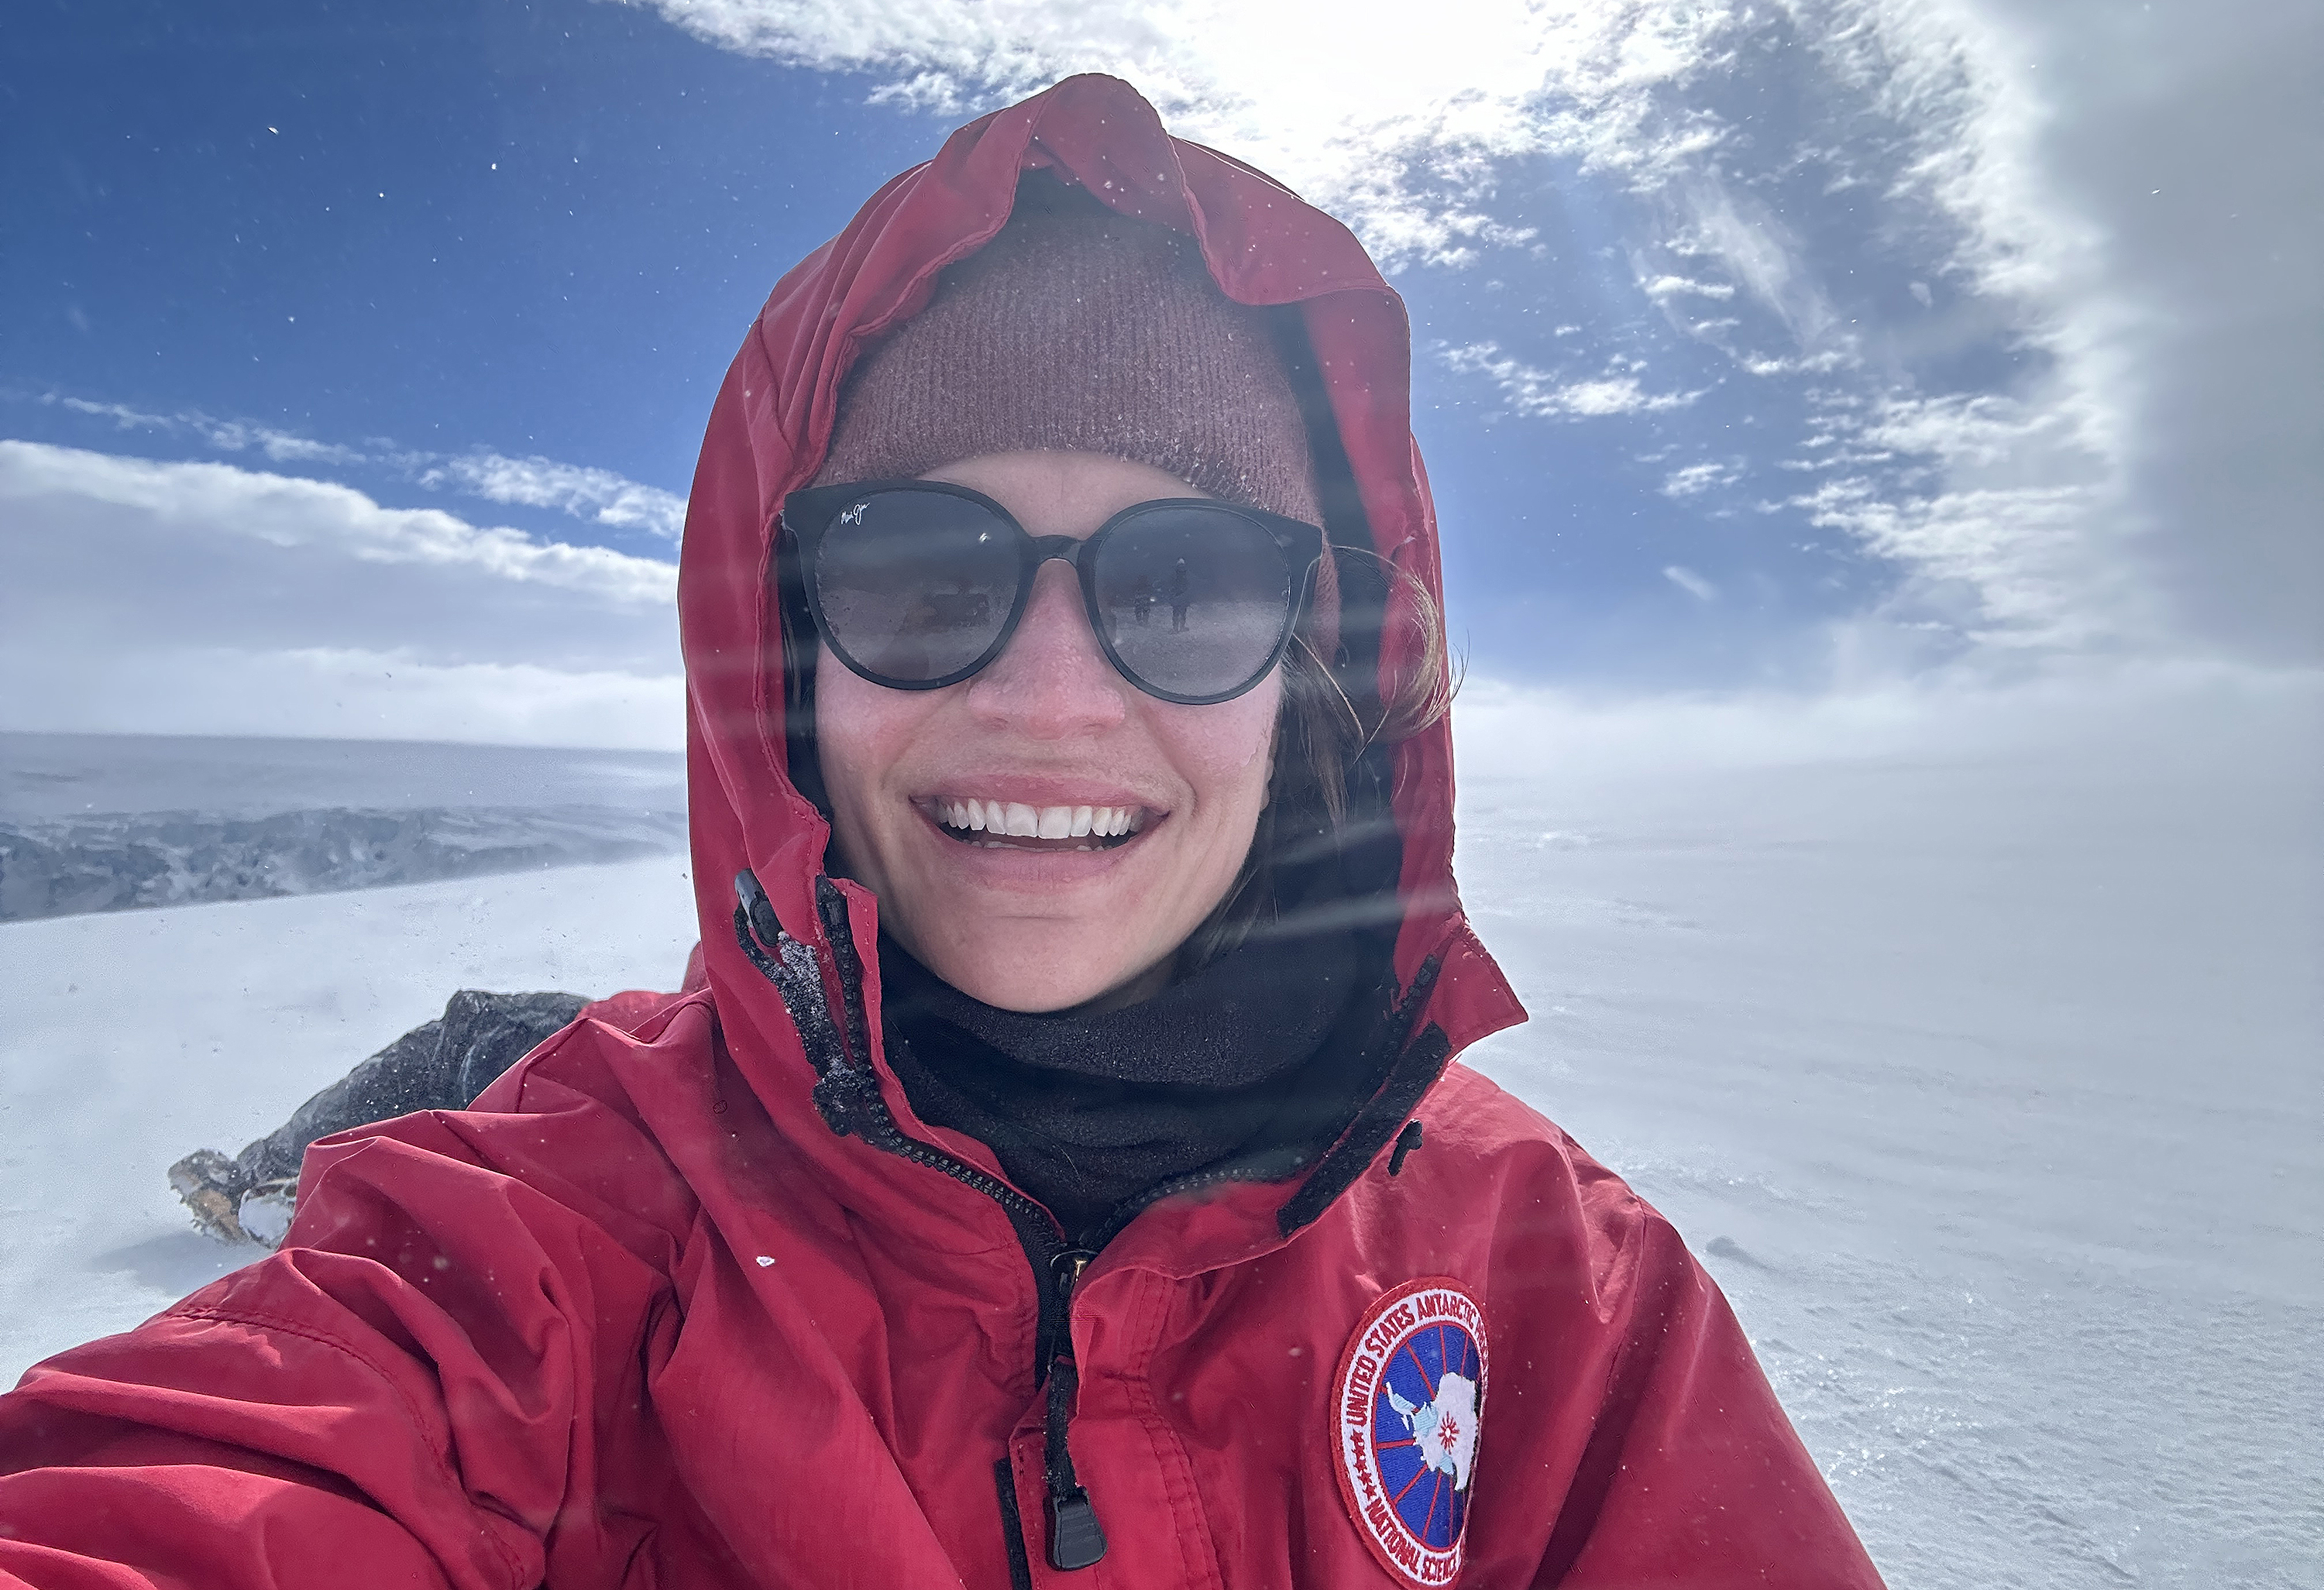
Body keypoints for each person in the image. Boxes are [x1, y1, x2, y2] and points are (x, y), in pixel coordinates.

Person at [0, 75, 1884, 1588]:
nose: (1053, 698)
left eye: (1190, 583)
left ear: (1305, 666)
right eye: (918, 571)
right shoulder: (568, 1233)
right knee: (492, 1046)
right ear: (787, 655)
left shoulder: (1557, 1286)